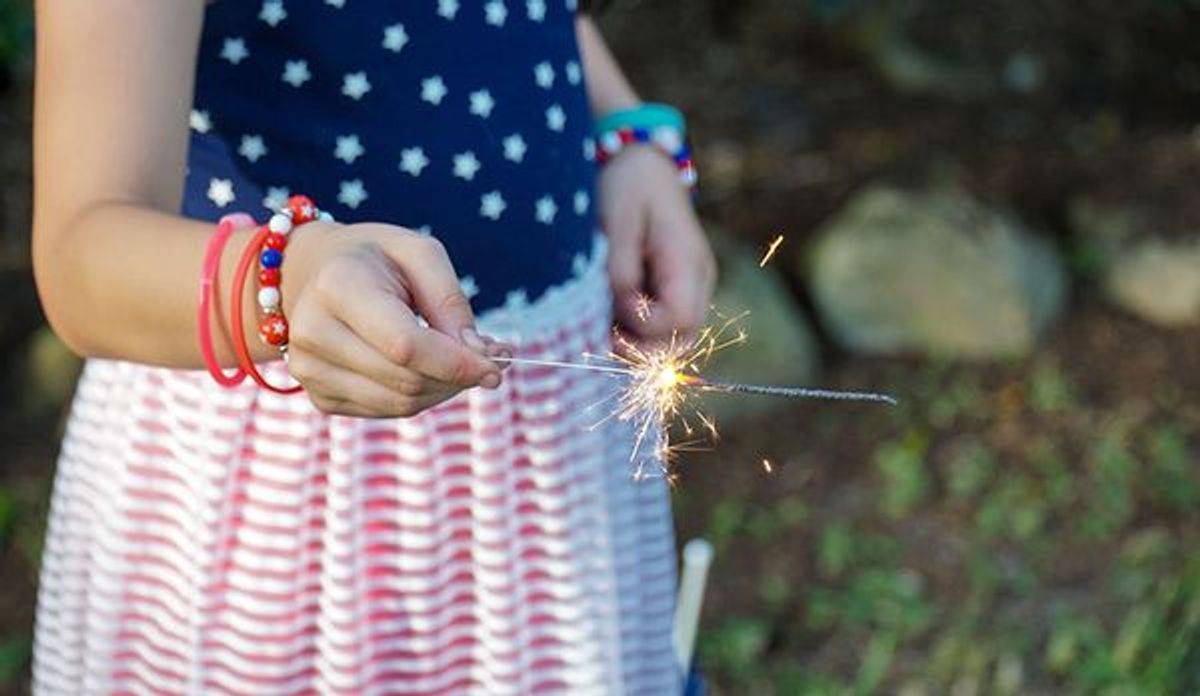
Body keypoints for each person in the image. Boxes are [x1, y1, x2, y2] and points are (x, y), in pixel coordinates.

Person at [30, 1, 715, 693]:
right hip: (291, 497)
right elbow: (78, 255)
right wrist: (286, 287)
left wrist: (626, 135)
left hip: (555, 470)